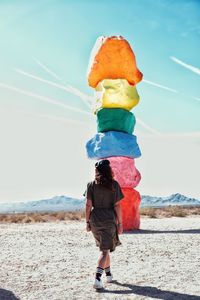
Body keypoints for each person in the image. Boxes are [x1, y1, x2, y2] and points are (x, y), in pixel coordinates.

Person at [84, 159, 124, 289]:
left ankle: (109, 275)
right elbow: (117, 205)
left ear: (97, 171)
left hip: (95, 219)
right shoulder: (114, 185)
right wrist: (120, 223)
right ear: (109, 170)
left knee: (104, 248)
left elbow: (88, 205)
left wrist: (87, 221)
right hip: (108, 219)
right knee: (104, 250)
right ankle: (97, 279)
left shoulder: (91, 185)